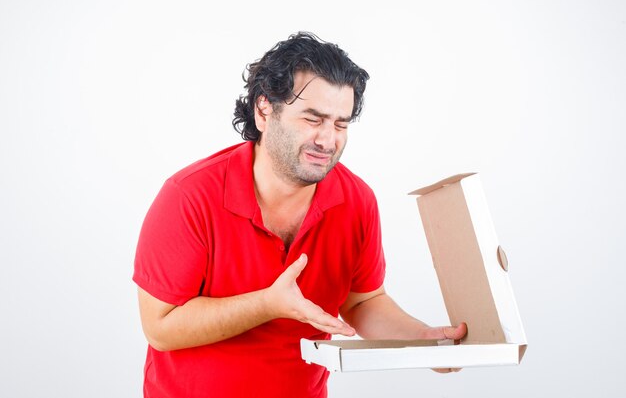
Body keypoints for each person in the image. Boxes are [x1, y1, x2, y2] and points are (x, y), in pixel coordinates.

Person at [133, 32, 467, 398]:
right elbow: (160, 328)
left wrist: (421, 340)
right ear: (264, 110)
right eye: (313, 118)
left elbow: (362, 301)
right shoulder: (189, 196)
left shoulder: (357, 201)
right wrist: (266, 304)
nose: (327, 140)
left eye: (340, 124)